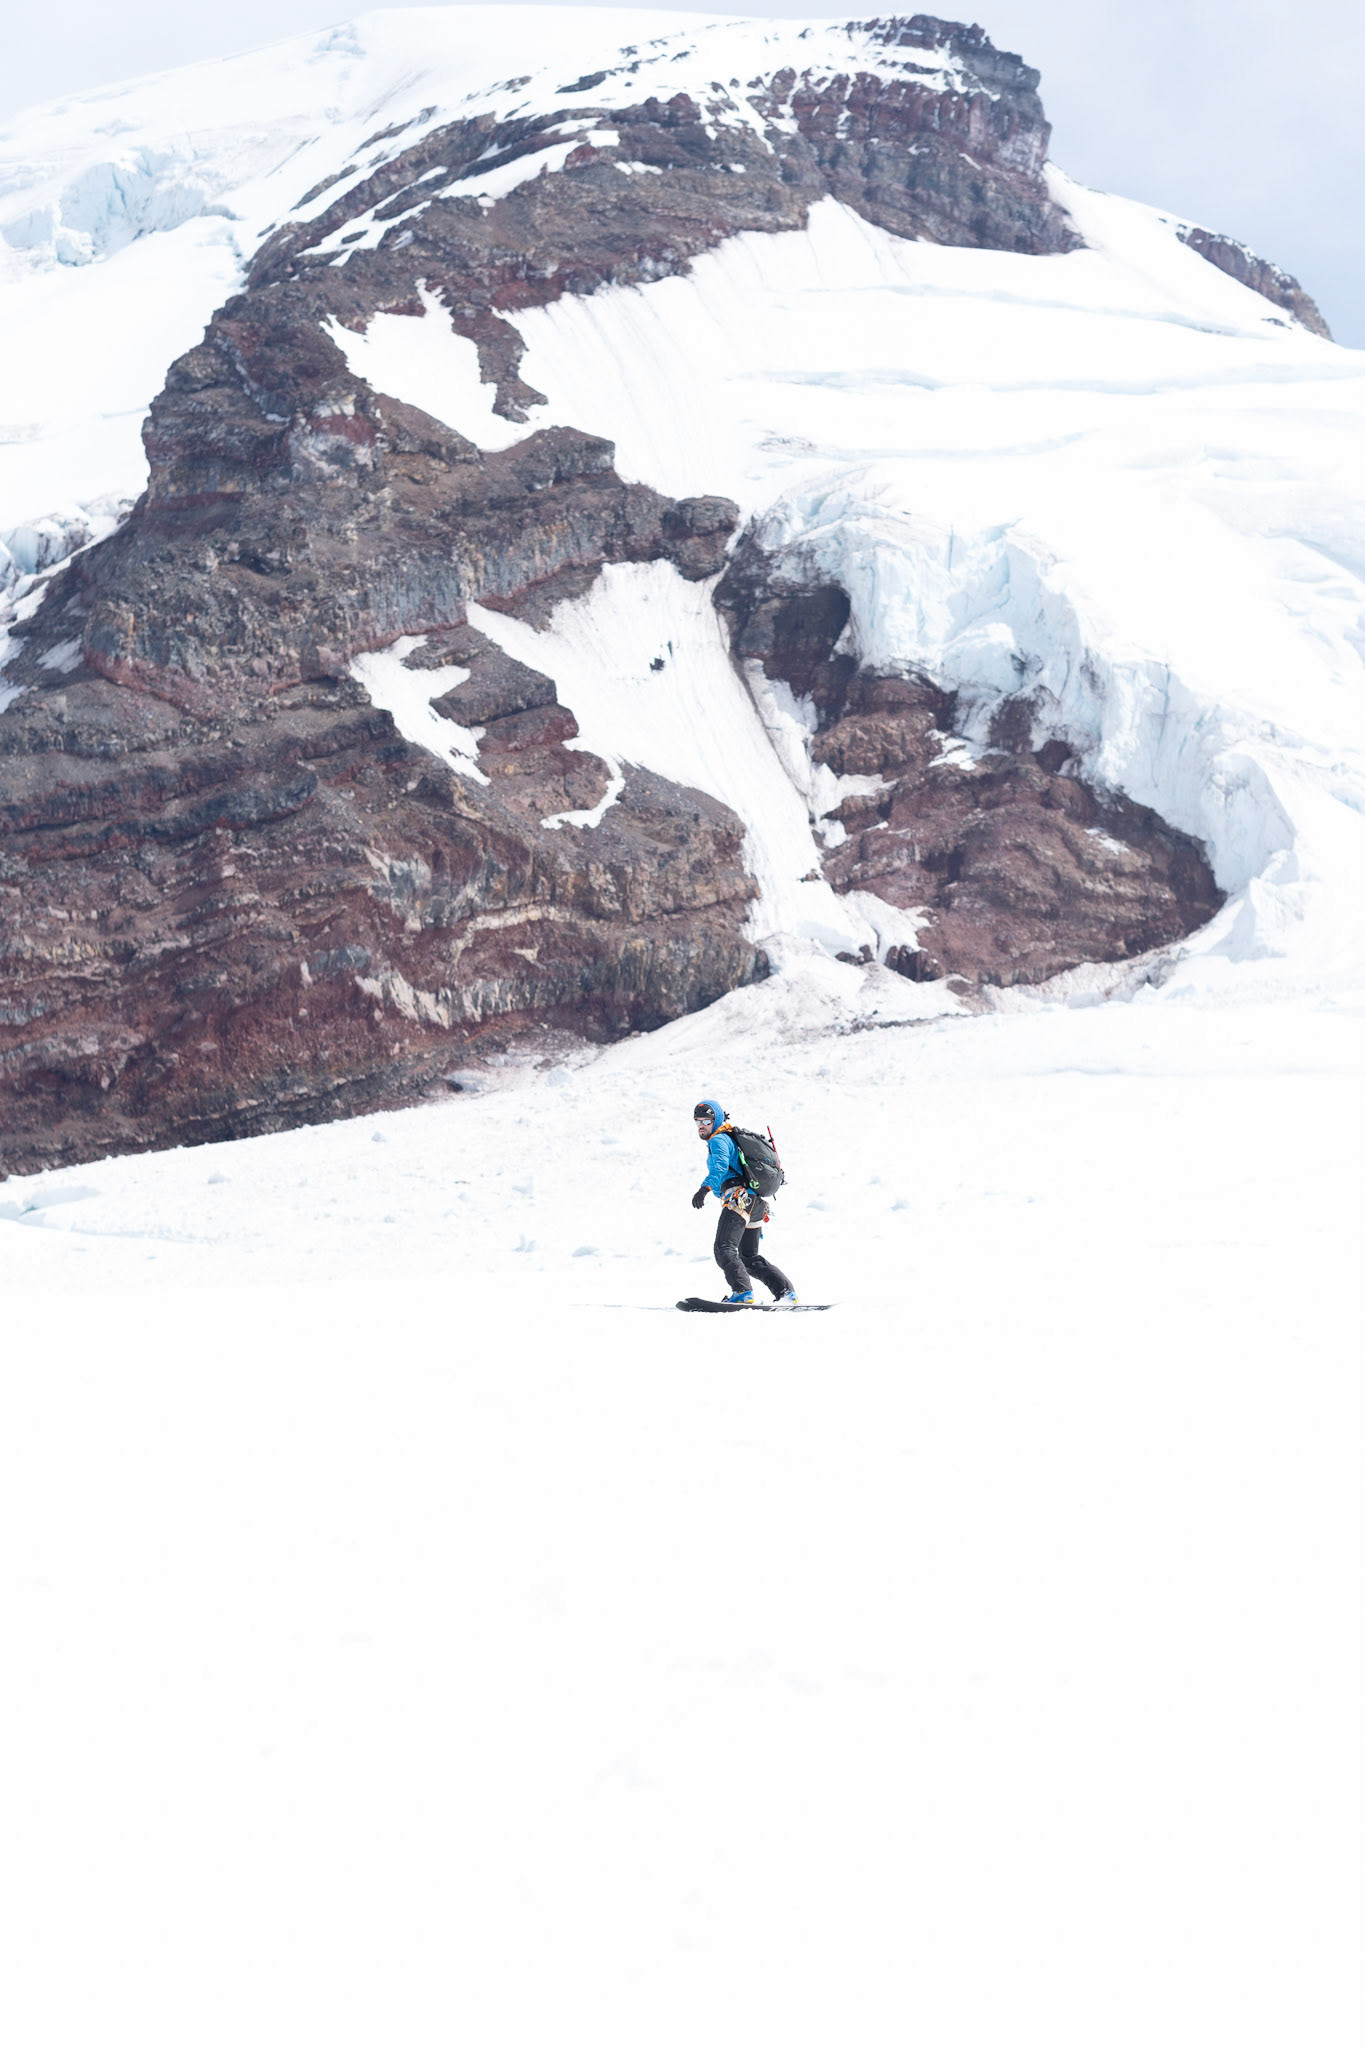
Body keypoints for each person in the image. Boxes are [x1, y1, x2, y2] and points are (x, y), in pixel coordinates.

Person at [690, 1098, 797, 1306]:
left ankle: (742, 1292)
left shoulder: (718, 1140)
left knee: (724, 1248)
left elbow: (719, 1167)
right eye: (698, 1122)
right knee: (748, 1257)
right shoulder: (729, 1137)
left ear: (717, 1120)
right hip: (755, 1203)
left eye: (706, 1121)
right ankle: (786, 1293)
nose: (701, 1126)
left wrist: (704, 1188)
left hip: (738, 1199)